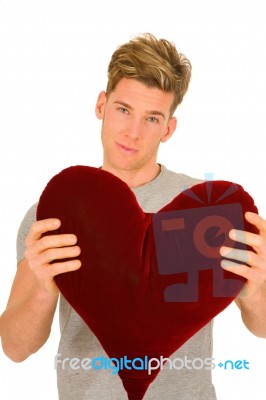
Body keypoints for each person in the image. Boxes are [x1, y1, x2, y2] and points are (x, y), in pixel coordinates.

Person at [1, 33, 266, 400]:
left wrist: (256, 289)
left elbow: (262, 328)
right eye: (124, 110)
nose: (133, 132)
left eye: (152, 118)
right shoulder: (56, 214)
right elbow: (14, 348)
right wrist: (44, 287)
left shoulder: (211, 213)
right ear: (101, 105)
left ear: (168, 128)